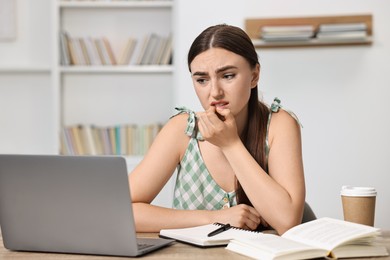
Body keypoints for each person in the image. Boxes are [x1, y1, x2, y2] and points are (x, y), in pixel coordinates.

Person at [129, 24, 305, 235]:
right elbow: (121, 211)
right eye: (202, 80)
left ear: (254, 75)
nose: (215, 92)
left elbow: (288, 221)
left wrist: (230, 144)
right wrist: (215, 218)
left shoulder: (279, 124)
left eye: (228, 76)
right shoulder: (182, 129)